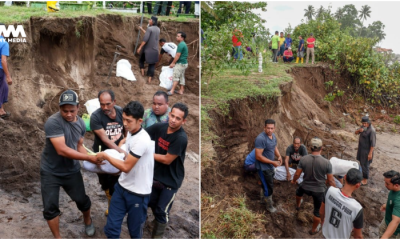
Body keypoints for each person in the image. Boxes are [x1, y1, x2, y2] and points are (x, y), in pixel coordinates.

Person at [40, 90, 103, 238]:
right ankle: (58, 237)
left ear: (78, 107)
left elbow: (79, 145)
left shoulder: (81, 123)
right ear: (59, 108)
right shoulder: (53, 122)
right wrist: (89, 159)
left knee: (82, 200)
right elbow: (62, 150)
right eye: (64, 111)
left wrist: (95, 160)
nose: (68, 114)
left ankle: (88, 221)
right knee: (50, 208)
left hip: (71, 170)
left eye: (72, 111)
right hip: (51, 171)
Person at [101, 101, 154, 239]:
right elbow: (127, 150)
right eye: (123, 119)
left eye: (128, 121)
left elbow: (126, 167)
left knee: (134, 232)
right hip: (122, 187)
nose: (124, 123)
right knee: (111, 228)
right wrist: (122, 145)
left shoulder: (143, 140)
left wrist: (106, 156)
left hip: (138, 193)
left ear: (140, 121)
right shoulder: (131, 132)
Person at [145, 103, 189, 238]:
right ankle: (154, 223)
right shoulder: (160, 127)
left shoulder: (180, 138)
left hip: (170, 180)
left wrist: (146, 154)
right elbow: (142, 133)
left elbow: (167, 159)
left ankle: (157, 235)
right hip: (156, 175)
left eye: (178, 118)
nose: (174, 120)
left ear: (183, 121)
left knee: (161, 211)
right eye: (173, 116)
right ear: (169, 114)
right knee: (150, 201)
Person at [90, 90, 126, 216]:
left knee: (116, 183)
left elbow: (126, 131)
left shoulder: (122, 112)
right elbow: (106, 139)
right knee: (104, 182)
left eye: (108, 104)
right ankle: (110, 197)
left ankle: (113, 206)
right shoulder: (95, 116)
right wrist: (122, 151)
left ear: (114, 102)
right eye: (102, 104)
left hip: (118, 154)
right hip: (101, 155)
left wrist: (125, 146)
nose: (105, 107)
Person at [292, 137, 336, 235]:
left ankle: (298, 206)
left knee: (298, 192)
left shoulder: (303, 159)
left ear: (310, 148)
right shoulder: (327, 162)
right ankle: (313, 230)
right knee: (317, 211)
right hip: (319, 191)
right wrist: (336, 191)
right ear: (321, 148)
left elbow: (297, 174)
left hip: (305, 187)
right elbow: (330, 180)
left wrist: (293, 181)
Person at [320, 168, 364, 239]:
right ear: (358, 185)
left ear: (345, 177)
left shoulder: (329, 190)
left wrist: (322, 221)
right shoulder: (357, 208)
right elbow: (358, 236)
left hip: (326, 234)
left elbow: (321, 212)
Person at [255, 119, 283, 213]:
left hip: (270, 166)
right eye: (268, 128)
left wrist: (278, 156)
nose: (269, 130)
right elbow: (258, 156)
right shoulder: (261, 138)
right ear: (264, 128)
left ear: (274, 128)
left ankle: (263, 199)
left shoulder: (273, 136)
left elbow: (274, 147)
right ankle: (269, 205)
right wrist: (272, 162)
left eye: (271, 128)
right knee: (269, 187)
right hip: (263, 168)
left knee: (266, 184)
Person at [137, 16, 160, 83]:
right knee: (152, 64)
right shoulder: (158, 29)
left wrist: (140, 47)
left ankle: (142, 72)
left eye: (150, 20)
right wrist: (142, 29)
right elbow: (149, 34)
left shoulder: (150, 28)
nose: (149, 20)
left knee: (141, 60)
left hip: (147, 50)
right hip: (155, 50)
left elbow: (145, 39)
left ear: (152, 22)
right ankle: (149, 78)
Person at [355, 116, 376, 185]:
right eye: (363, 123)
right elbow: (355, 132)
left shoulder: (372, 131)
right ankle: (362, 176)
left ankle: (365, 180)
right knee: (361, 163)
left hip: (367, 151)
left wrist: (370, 154)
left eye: (365, 123)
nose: (364, 124)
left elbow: (373, 144)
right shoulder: (362, 127)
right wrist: (359, 131)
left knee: (365, 165)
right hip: (361, 149)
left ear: (368, 123)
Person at [379, 170, 400, 239]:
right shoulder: (395, 188)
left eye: (387, 184)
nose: (385, 185)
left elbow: (395, 221)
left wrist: (385, 237)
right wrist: (387, 205)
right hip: (387, 220)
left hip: (394, 231)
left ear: (396, 185)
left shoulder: (398, 200)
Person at [167, 32, 188, 96]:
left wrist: (173, 63)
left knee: (176, 76)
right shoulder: (183, 44)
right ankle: (181, 90)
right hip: (184, 63)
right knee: (181, 76)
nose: (176, 37)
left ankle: (172, 91)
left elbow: (178, 55)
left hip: (180, 63)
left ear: (182, 38)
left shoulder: (181, 45)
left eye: (178, 36)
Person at [0, 23, 12, 119]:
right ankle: (0, 111)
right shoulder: (4, 43)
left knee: (4, 88)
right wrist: (8, 75)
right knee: (2, 89)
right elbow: (3, 61)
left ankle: (2, 110)